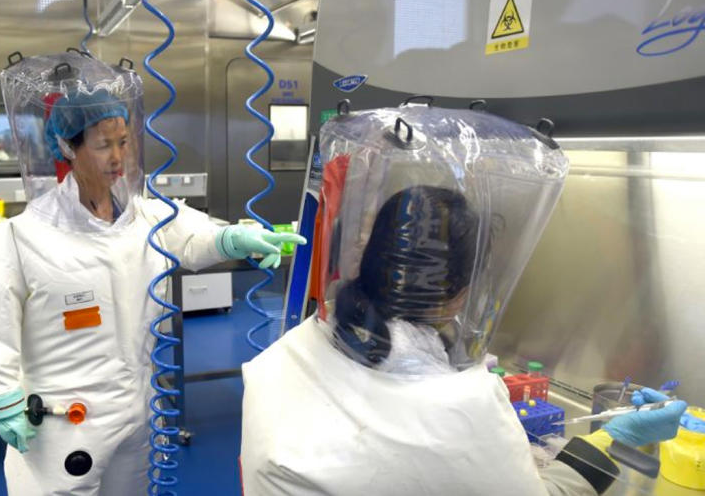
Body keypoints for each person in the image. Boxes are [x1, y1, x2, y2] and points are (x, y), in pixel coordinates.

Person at [240, 106, 687, 496]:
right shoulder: (458, 407)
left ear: (373, 257)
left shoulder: (295, 350)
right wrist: (616, 439)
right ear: (460, 292)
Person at [0, 52, 303, 496]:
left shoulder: (146, 217)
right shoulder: (17, 238)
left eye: (124, 141)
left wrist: (231, 240)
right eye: (103, 145)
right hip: (64, 423)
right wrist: (4, 399)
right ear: (68, 147)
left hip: (138, 413)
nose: (118, 157)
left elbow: (193, 238)